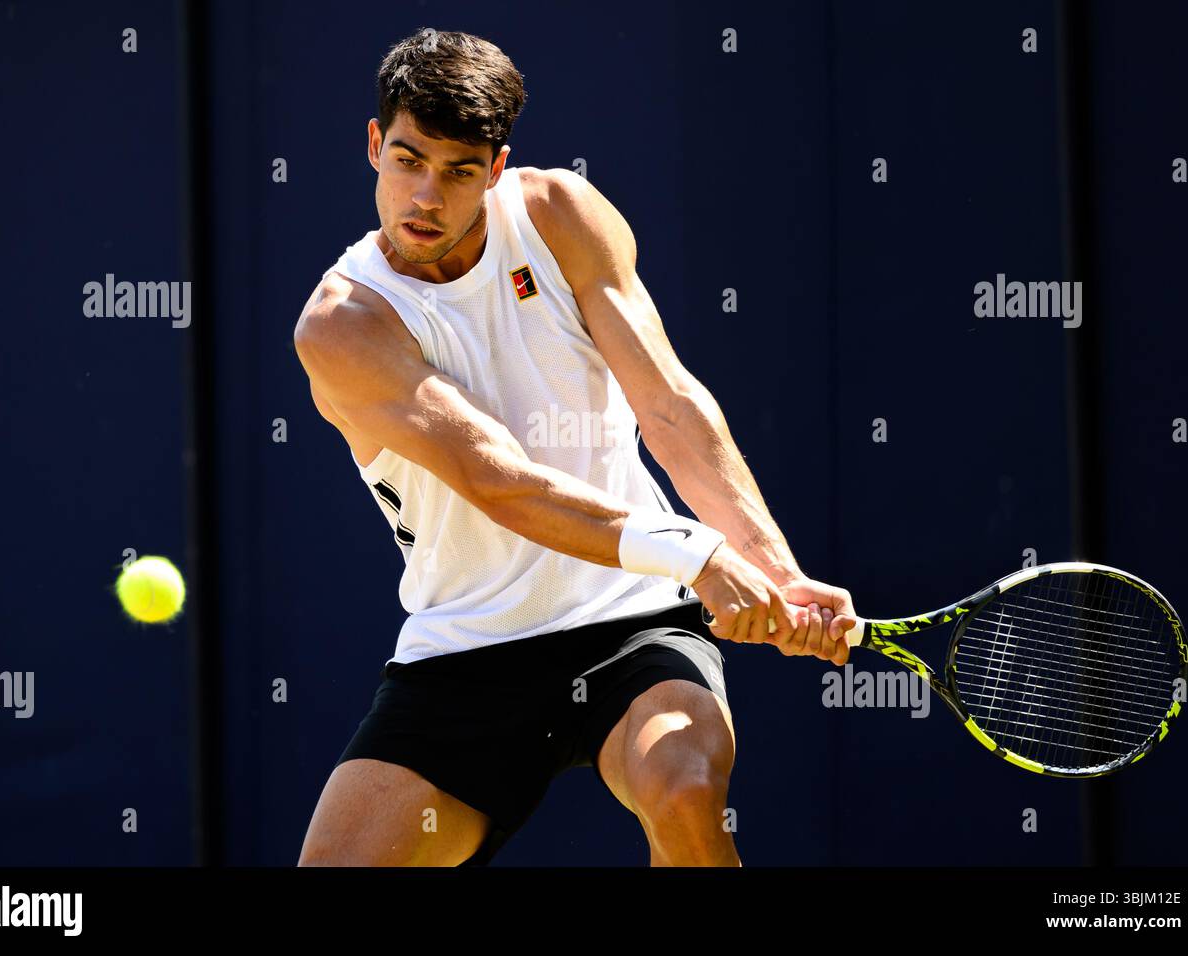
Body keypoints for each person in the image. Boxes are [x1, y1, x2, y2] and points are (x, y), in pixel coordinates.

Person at [294, 28, 856, 867]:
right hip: (466, 652)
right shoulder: (344, 325)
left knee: (685, 790)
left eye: (459, 171)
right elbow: (502, 483)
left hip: (633, 622)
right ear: (375, 145)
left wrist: (773, 570)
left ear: (497, 166)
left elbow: (669, 406)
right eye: (408, 160)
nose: (426, 198)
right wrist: (699, 553)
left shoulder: (559, 215)